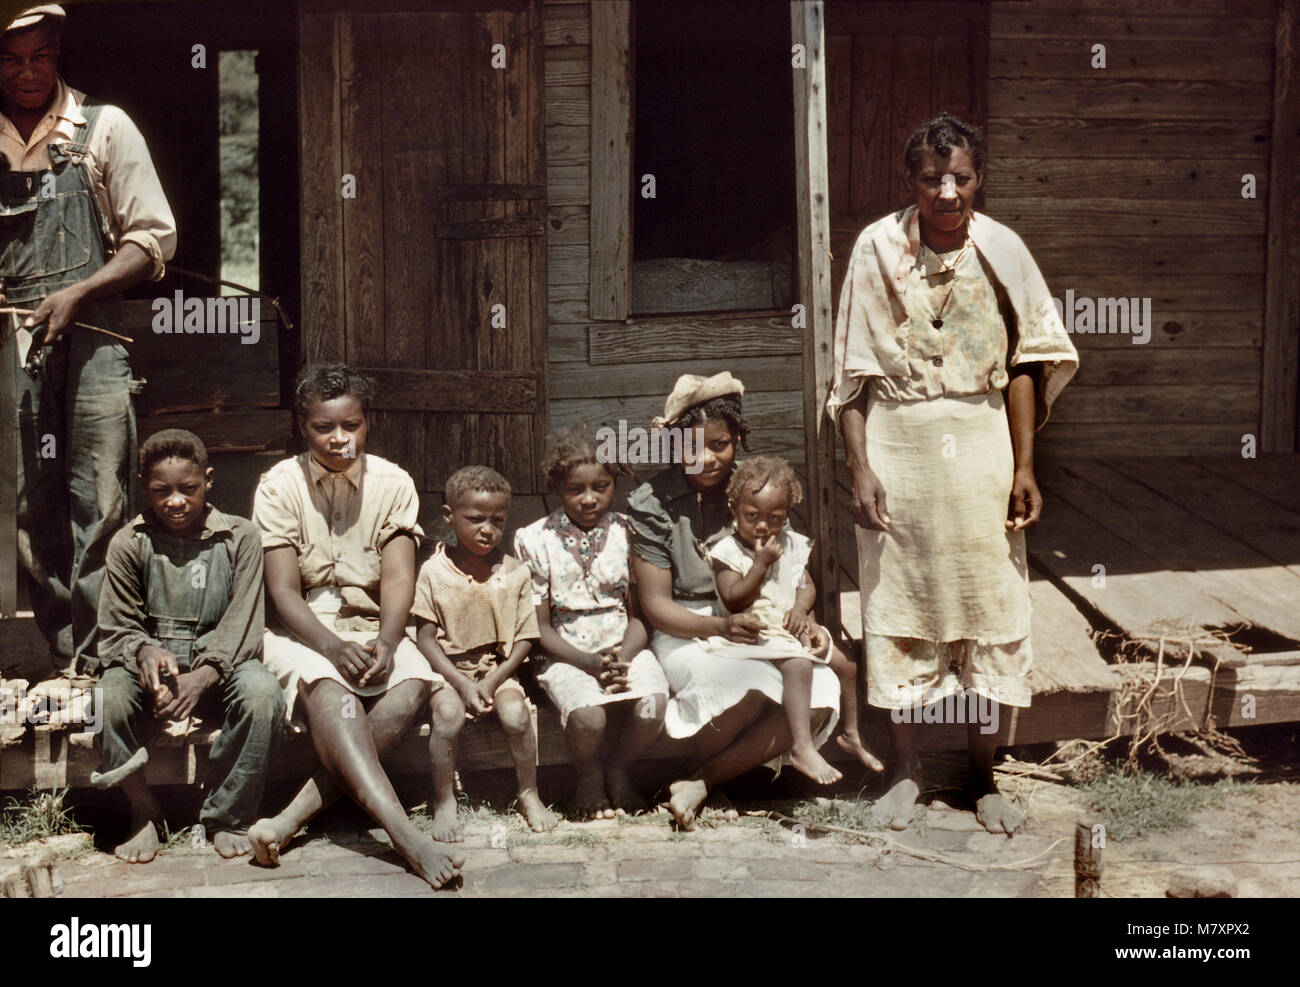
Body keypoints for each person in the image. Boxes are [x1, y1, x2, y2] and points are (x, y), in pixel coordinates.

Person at [827, 112, 1078, 834]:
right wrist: (860, 466)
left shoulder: (1002, 249)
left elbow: (1030, 359)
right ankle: (906, 771)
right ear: (912, 180)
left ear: (978, 180)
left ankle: (982, 774)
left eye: (960, 177)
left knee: (989, 604)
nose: (946, 191)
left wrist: (1023, 465)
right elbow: (853, 374)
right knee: (900, 602)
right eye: (932, 177)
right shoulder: (877, 247)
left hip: (980, 440)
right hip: (898, 440)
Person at [0, 4, 177, 665]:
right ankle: (61, 643)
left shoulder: (99, 128)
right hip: (12, 344)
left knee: (100, 496)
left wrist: (79, 291)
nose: (26, 73)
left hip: (95, 332)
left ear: (57, 56)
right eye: (12, 60)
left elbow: (153, 239)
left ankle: (105, 652)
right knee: (27, 500)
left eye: (40, 57)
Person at [247, 363, 463, 890]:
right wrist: (331, 645)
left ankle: (289, 820)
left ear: (367, 423)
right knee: (332, 693)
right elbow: (282, 592)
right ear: (304, 425)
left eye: (352, 425)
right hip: (307, 629)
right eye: (325, 428)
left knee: (412, 682)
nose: (340, 439)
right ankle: (404, 836)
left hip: (376, 622)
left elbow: (397, 579)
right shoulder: (279, 486)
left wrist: (389, 642)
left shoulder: (393, 482)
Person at [628, 372, 842, 831]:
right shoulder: (653, 502)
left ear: (738, 440)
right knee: (742, 686)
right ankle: (715, 779)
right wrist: (719, 627)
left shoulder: (756, 493)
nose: (705, 459)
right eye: (690, 448)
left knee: (821, 692)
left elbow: (791, 574)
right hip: (688, 624)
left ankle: (701, 782)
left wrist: (803, 617)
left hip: (757, 622)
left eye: (719, 445)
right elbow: (655, 606)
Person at [93, 429, 283, 863]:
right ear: (145, 487)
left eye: (188, 489)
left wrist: (205, 674)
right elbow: (117, 625)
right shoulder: (130, 542)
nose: (175, 501)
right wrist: (143, 650)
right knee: (103, 699)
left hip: (220, 666)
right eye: (162, 491)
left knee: (263, 696)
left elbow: (244, 624)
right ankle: (142, 809)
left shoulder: (240, 538)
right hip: (151, 673)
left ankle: (227, 815)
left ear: (209, 480)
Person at [514, 423, 669, 819]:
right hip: (565, 651)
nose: (588, 499)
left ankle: (620, 766)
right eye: (575, 490)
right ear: (556, 488)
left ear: (614, 482)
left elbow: (640, 616)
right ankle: (588, 772)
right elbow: (540, 627)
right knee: (589, 718)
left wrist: (624, 657)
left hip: (624, 646)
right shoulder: (534, 539)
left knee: (651, 707)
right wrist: (588, 663)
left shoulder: (628, 532)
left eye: (599, 487)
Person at [699, 455, 882, 785]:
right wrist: (760, 565)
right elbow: (734, 598)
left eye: (775, 517)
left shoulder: (792, 545)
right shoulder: (725, 551)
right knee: (798, 665)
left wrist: (801, 612)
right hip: (753, 631)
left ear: (787, 513)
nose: (763, 526)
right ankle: (801, 747)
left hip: (789, 628)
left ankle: (852, 734)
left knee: (847, 662)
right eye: (752, 516)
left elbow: (805, 584)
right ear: (733, 507)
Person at [413, 466, 557, 835]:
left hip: (497, 669)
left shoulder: (514, 572)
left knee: (516, 716)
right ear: (449, 516)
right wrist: (461, 684)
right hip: (448, 672)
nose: (487, 529)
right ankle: (444, 800)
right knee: (446, 716)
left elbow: (525, 638)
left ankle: (528, 792)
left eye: (497, 520)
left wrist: (491, 681)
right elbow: (426, 638)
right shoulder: (434, 572)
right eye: (475, 519)